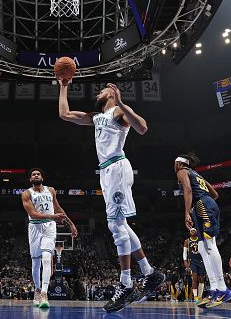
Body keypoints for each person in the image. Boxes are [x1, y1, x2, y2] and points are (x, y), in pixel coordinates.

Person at [58, 80, 164, 313]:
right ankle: (149, 272)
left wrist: (123, 104)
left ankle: (126, 284)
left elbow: (143, 127)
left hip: (116, 166)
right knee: (122, 225)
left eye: (105, 89)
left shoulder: (118, 111)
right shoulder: (97, 117)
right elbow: (64, 114)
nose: (100, 90)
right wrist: (63, 85)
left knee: (115, 226)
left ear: (112, 95)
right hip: (106, 170)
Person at [175, 153, 231, 308]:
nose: (173, 166)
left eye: (174, 163)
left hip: (202, 206)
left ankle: (223, 289)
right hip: (204, 205)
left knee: (209, 245)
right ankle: (214, 289)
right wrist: (204, 203)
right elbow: (215, 194)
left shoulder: (182, 171)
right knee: (202, 247)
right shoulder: (197, 174)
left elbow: (188, 190)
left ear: (179, 163)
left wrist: (187, 212)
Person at [21, 168, 78, 308]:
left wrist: (71, 224)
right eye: (33, 174)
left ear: (42, 177)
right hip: (35, 227)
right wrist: (52, 216)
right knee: (36, 261)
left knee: (47, 258)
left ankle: (44, 293)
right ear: (30, 179)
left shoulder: (51, 190)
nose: (36, 175)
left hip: (49, 227)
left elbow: (58, 208)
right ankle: (37, 289)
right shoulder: (26, 194)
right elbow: (33, 214)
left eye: (38, 174)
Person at [183, 228, 205, 303]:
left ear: (196, 232)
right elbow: (184, 252)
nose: (192, 232)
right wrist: (185, 261)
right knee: (194, 278)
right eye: (191, 231)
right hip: (192, 261)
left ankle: (200, 296)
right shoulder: (187, 241)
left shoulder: (200, 240)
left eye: (194, 231)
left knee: (201, 279)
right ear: (189, 233)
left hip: (201, 260)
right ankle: (195, 297)